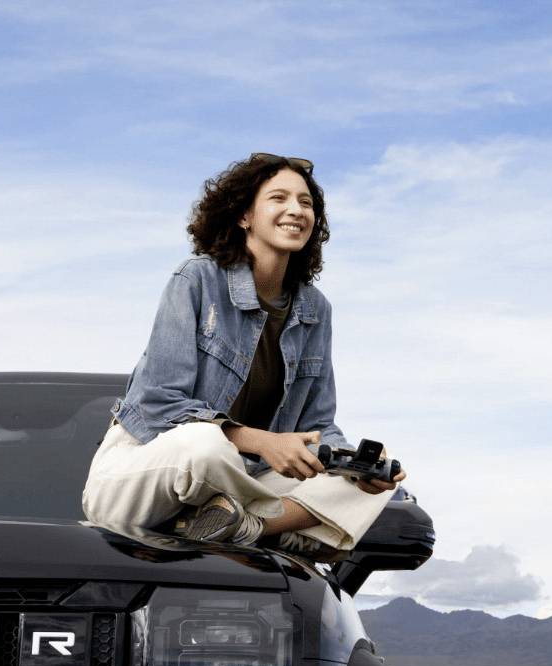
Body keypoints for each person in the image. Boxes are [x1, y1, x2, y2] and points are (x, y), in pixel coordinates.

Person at [81, 153, 404, 558]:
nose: (296, 210)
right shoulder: (196, 279)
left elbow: (317, 425)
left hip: (239, 483)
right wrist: (263, 442)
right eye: (279, 198)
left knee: (372, 485)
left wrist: (354, 463)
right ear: (244, 216)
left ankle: (239, 525)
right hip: (148, 473)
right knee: (206, 444)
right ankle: (274, 529)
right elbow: (158, 404)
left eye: (306, 203)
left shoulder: (315, 309)